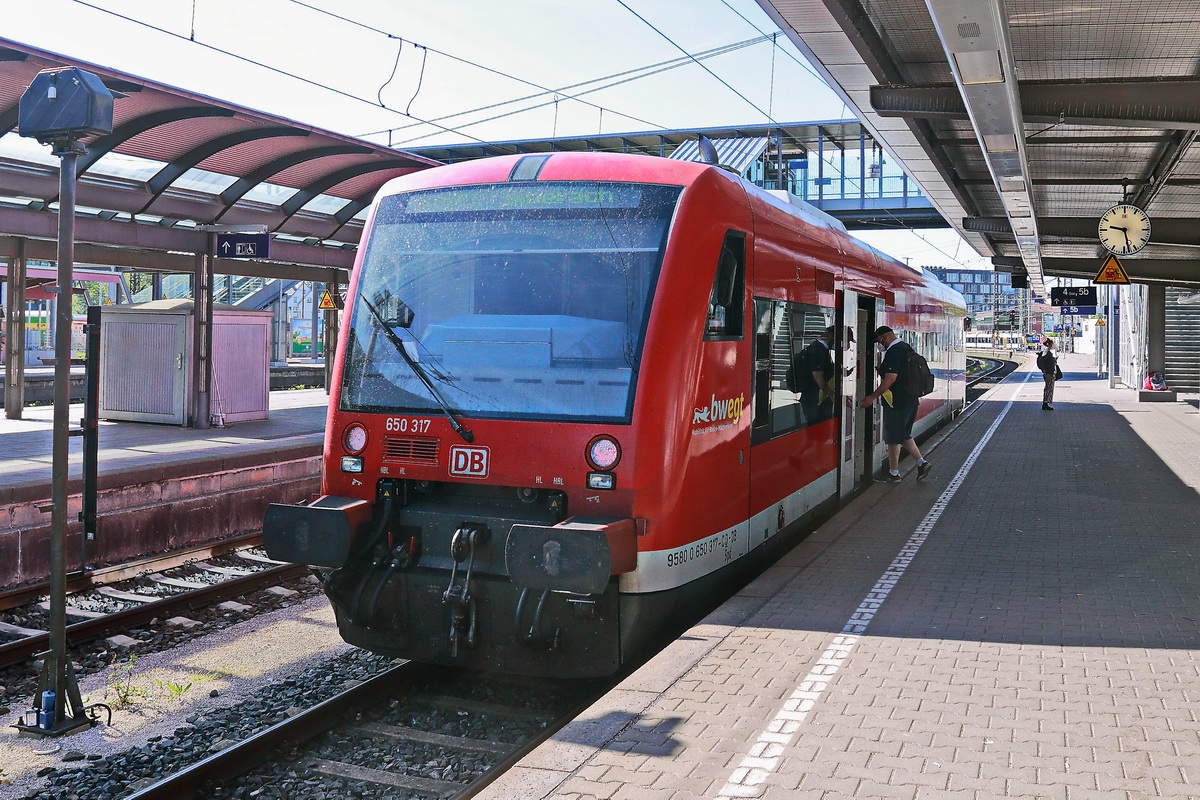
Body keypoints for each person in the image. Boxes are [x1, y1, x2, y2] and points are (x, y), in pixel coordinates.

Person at [859, 325, 931, 483]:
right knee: (904, 434)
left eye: (878, 341)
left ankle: (894, 473)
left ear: (883, 338)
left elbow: (890, 378)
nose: (879, 345)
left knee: (893, 437)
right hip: (911, 400)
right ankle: (921, 463)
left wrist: (872, 397)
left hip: (897, 402)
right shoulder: (905, 347)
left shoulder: (893, 352)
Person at [796, 325, 835, 424]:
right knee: (816, 428)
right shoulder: (818, 349)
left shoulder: (821, 348)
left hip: (818, 398)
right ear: (831, 337)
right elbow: (818, 376)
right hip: (814, 398)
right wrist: (832, 395)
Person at [1036, 338, 1058, 410]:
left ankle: (1046, 403)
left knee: (1048, 388)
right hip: (1049, 373)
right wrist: (1043, 369)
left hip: (1049, 372)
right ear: (1048, 344)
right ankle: (1045, 403)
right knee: (1048, 388)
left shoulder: (1047, 352)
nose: (1052, 345)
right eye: (1051, 344)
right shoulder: (1046, 352)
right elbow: (1042, 361)